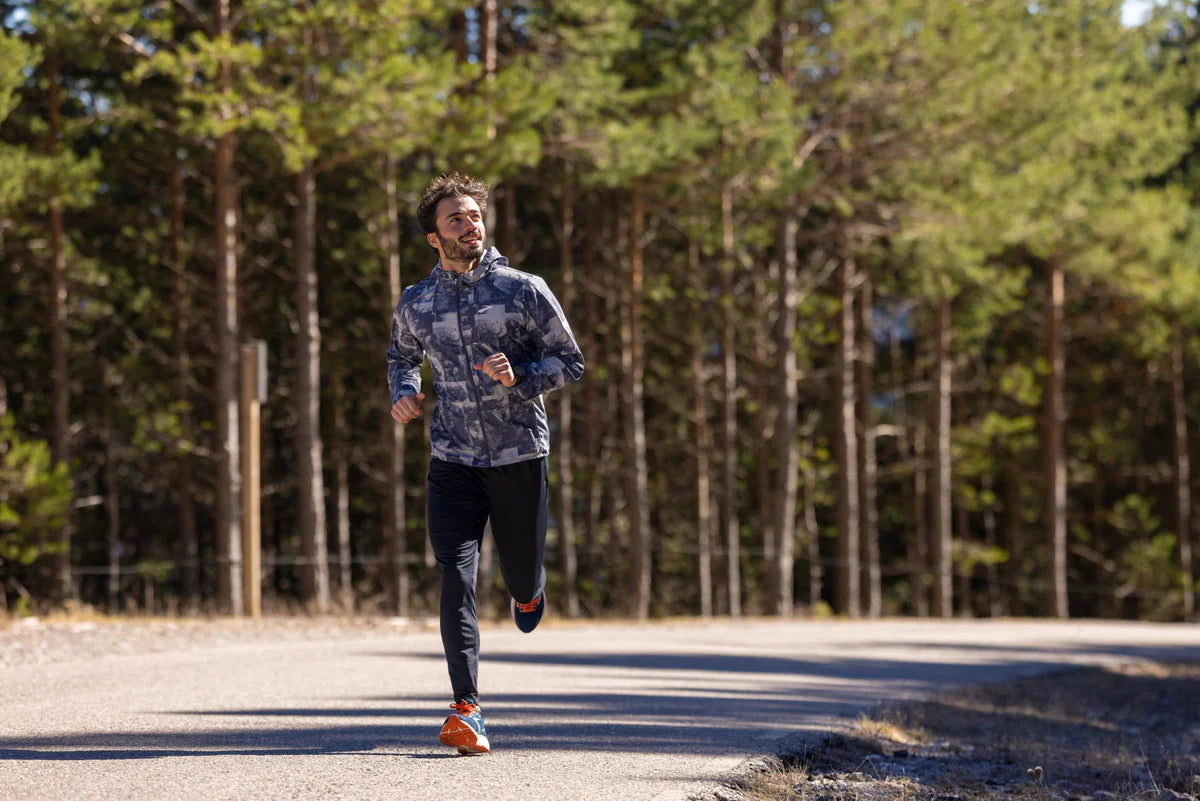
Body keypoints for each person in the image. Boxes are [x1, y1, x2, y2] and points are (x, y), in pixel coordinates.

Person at [386, 172, 584, 756]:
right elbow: (401, 356)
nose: (469, 224)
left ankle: (529, 591)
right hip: (452, 459)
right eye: (456, 218)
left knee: (519, 572)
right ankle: (466, 709)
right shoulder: (417, 302)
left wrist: (520, 376)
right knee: (457, 577)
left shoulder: (523, 289)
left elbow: (570, 362)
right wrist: (404, 392)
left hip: (520, 452)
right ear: (433, 237)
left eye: (474, 215)